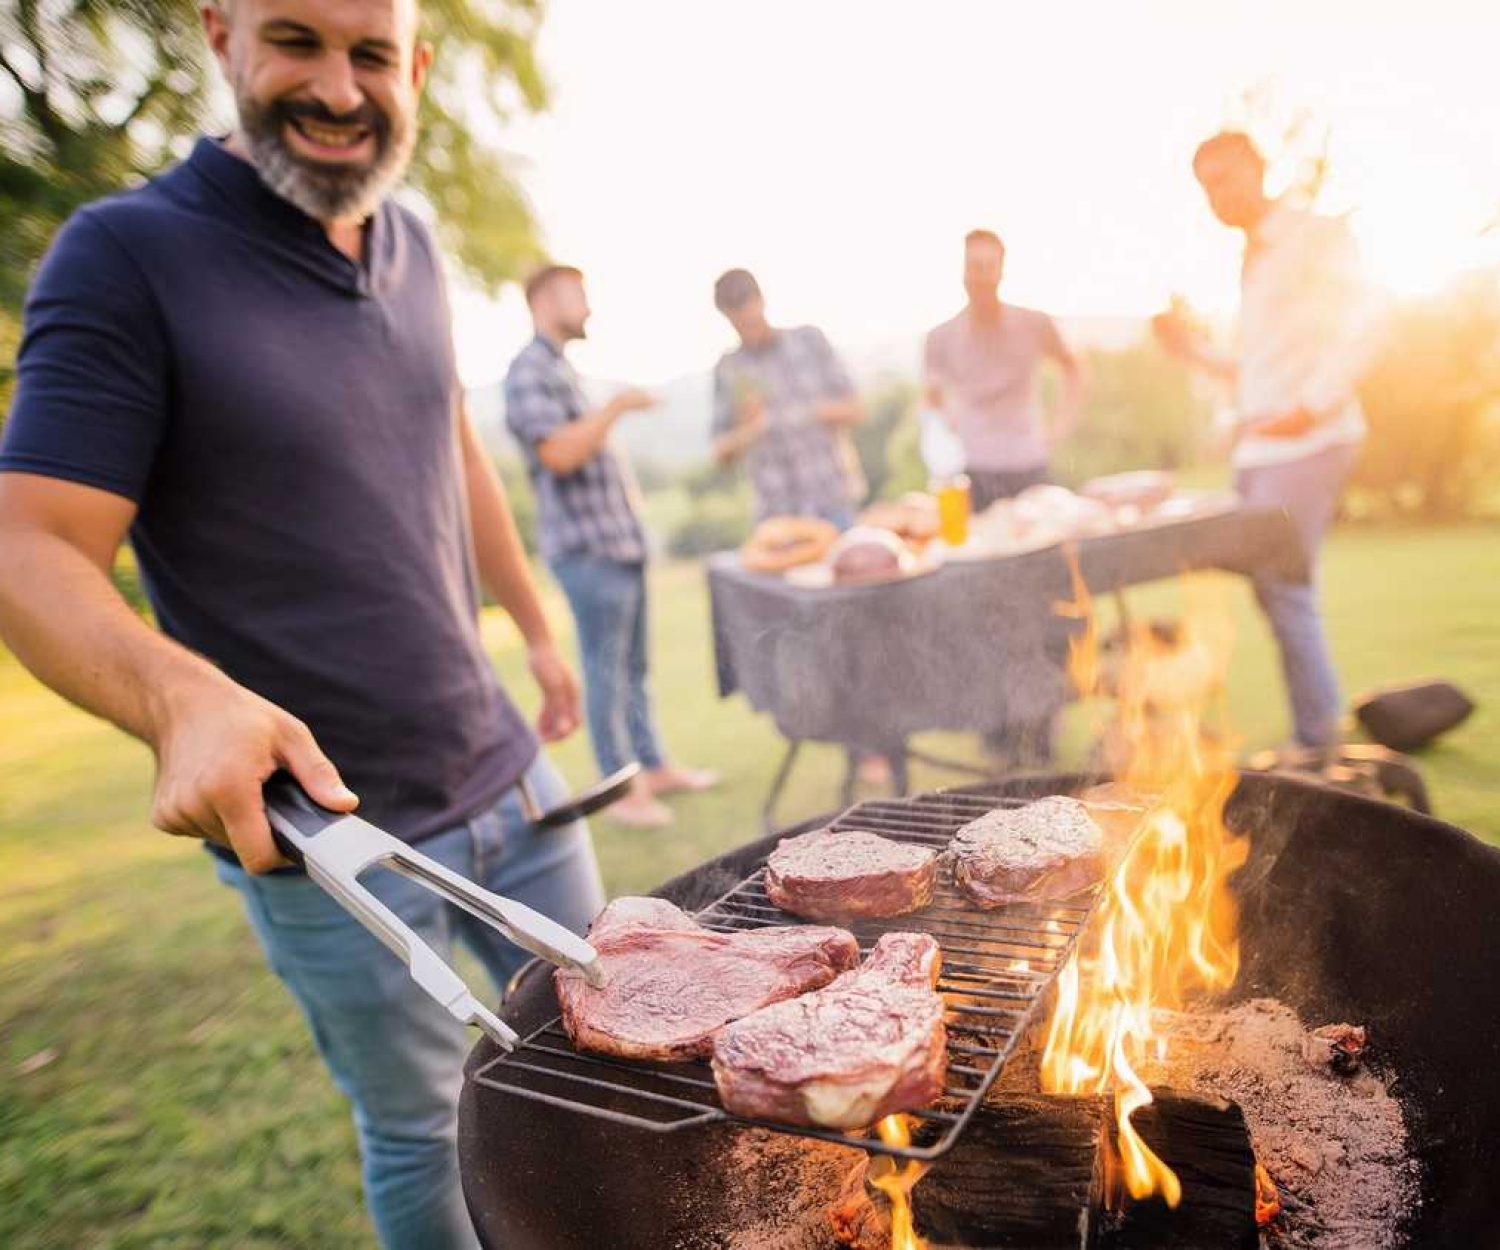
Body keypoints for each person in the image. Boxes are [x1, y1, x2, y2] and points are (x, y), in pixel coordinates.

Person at [0, 0, 605, 1245]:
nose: (337, 89)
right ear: (221, 35)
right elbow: (29, 543)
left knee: (611, 1068)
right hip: (326, 838)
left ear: (415, 68)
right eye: (296, 41)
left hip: (512, 778)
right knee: (427, 1129)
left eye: (370, 53)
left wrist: (536, 626)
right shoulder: (123, 255)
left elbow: (454, 450)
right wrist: (180, 698)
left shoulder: (415, 241)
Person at [1154, 130, 1382, 751]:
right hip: (1261, 450)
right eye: (1206, 188)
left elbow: (1368, 320)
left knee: (1284, 585)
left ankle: (1319, 737)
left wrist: (1312, 406)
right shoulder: (1250, 258)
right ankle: (1317, 727)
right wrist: (1189, 351)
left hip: (1310, 442)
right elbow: (1257, 370)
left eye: (1224, 178)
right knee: (1272, 586)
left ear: (1258, 167)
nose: (1217, 196)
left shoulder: (1314, 235)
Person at [505, 265, 716, 829]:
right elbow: (558, 454)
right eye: (578, 296)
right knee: (605, 674)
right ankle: (622, 792)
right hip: (587, 551)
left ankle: (654, 767)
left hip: (619, 546)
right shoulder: (528, 370)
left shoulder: (562, 369)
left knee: (634, 670)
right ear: (544, 300)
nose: (588, 308)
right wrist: (617, 407)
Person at [923, 229, 1085, 511]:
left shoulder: (1034, 323)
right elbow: (931, 394)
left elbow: (1072, 367)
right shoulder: (940, 337)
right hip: (974, 469)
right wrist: (950, 422)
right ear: (963, 272)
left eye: (989, 267)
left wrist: (1061, 425)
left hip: (1030, 464)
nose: (982, 276)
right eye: (975, 267)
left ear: (1001, 271)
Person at [710, 268, 867, 527]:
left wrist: (801, 413)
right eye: (740, 324)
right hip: (776, 514)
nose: (749, 330)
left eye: (752, 320)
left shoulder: (809, 341)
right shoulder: (728, 368)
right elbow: (719, 452)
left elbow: (857, 409)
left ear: (761, 300)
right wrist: (748, 431)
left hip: (834, 502)